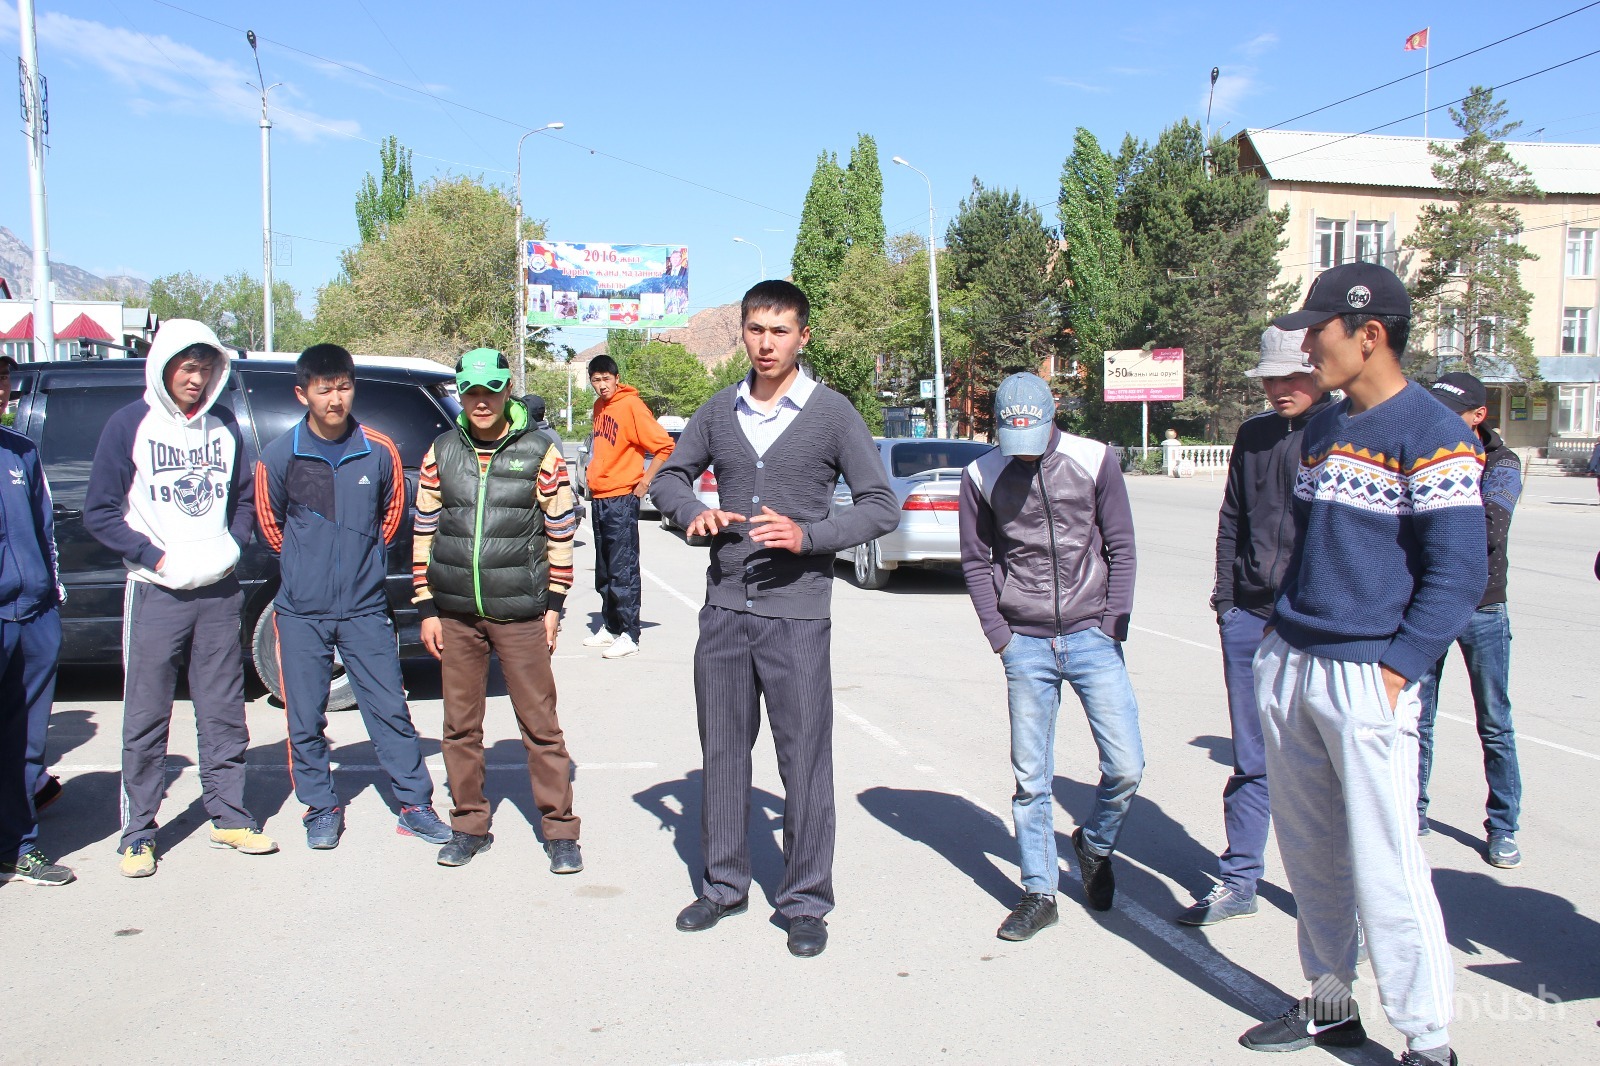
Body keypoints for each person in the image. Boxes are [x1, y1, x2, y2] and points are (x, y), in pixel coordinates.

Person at [1241, 263, 1483, 1066]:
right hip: (1294, 659)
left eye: (1318, 333)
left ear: (1369, 335)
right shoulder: (1325, 428)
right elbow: (1312, 546)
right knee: (1311, 854)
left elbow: (1459, 572)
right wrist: (1278, 642)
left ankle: (1427, 1038)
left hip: (1368, 673)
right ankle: (1330, 1004)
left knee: (1386, 864)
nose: (1307, 348)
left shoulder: (1434, 433)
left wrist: (1397, 669)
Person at [651, 280, 898, 958]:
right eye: (756, 329)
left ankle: (806, 900)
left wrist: (809, 536)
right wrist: (691, 513)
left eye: (780, 331)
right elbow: (668, 478)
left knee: (805, 761)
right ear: (742, 332)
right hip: (725, 613)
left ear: (802, 337)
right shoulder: (718, 409)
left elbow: (880, 505)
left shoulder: (832, 414)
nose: (766, 343)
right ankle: (723, 886)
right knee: (724, 755)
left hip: (798, 618)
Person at [83, 320, 277, 877]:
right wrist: (156, 558)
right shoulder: (129, 425)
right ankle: (138, 833)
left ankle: (228, 815)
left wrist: (233, 546)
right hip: (157, 592)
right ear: (165, 366)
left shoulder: (224, 426)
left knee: (223, 709)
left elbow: (245, 498)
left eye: (206, 369)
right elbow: (100, 511)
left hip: (218, 590)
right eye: (188, 368)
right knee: (146, 715)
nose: (197, 379)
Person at [958, 372, 1144, 942]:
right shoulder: (981, 474)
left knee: (1126, 765)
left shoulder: (1094, 459)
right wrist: (1001, 635)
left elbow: (1121, 544)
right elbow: (975, 560)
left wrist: (1112, 623)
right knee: (1031, 779)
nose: (1025, 453)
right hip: (1026, 642)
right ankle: (1039, 892)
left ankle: (1094, 843)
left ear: (1052, 415)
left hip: (1092, 636)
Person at [253, 344, 451, 851]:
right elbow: (271, 527)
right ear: (303, 394)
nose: (335, 398)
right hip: (301, 612)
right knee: (304, 717)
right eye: (324, 389)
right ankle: (320, 808)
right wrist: (307, 568)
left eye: (343, 386)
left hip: (365, 609)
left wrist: (360, 564)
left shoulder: (378, 449)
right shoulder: (279, 455)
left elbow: (392, 515)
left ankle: (415, 806)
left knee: (390, 710)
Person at [1181, 328, 1331, 926]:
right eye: (1270, 378)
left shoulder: (1343, 433)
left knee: (1325, 769)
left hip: (1316, 625)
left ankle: (1335, 902)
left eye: (1290, 376)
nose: (1278, 388)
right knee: (1251, 759)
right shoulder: (1254, 435)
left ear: (1317, 371)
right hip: (1249, 617)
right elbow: (1232, 520)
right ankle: (1239, 879)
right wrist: (1227, 603)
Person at [412, 348, 582, 872]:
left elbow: (560, 530)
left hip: (522, 612)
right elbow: (424, 528)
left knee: (541, 725)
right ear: (461, 393)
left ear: (508, 389)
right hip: (456, 612)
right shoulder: (441, 451)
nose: (481, 401)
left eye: (491, 390)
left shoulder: (539, 451)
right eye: (471, 391)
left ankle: (560, 831)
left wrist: (555, 605)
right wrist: (426, 605)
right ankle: (469, 826)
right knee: (460, 728)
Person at [1416, 372, 1524, 869]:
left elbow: (1490, 529)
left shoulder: (1501, 463)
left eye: (1449, 412)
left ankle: (1503, 826)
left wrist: (1430, 526)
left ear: (1478, 416)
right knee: (1418, 717)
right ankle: (1413, 809)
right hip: (1428, 604)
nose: (1436, 420)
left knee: (1495, 723)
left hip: (1483, 606)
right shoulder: (1426, 452)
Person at [0, 355, 73, 886]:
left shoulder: (21, 452)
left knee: (25, 741)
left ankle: (17, 848)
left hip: (34, 616)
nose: (1, 391)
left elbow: (45, 529)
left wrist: (51, 596)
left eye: (3, 380)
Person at [582, 354, 675, 658]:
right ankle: (610, 626)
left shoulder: (632, 405)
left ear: (617, 378)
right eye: (596, 380)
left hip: (622, 497)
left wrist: (646, 481)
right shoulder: (599, 407)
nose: (602, 385)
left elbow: (664, 445)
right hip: (600, 496)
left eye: (606, 379)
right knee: (605, 569)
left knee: (623, 568)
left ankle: (630, 633)